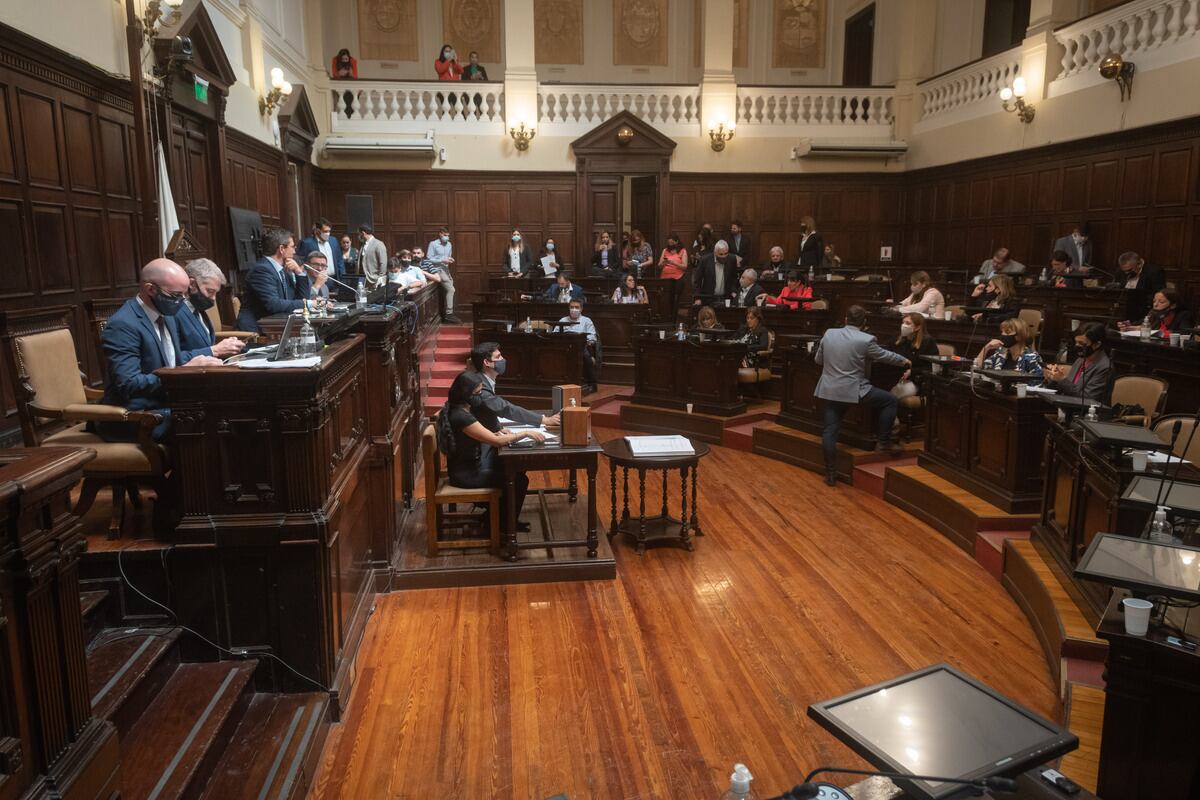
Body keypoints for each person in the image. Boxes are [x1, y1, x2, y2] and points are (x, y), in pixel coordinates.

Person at [96, 259, 223, 441]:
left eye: (184, 295)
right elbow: (129, 384)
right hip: (138, 417)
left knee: (223, 413)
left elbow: (172, 361)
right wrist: (182, 371)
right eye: (175, 295)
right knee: (209, 426)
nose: (181, 302)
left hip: (167, 405)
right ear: (150, 289)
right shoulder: (123, 325)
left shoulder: (167, 315)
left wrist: (200, 362)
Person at [436, 371, 544, 534]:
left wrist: (496, 434)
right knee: (518, 480)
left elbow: (479, 436)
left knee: (513, 468)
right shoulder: (462, 416)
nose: (480, 397)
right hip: (466, 475)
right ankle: (504, 528)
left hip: (467, 467)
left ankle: (501, 519)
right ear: (466, 393)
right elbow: (496, 442)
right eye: (477, 393)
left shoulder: (458, 409)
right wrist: (525, 433)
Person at [815, 305, 910, 485]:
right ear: (864, 323)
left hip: (832, 390)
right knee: (889, 400)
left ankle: (830, 474)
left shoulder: (829, 334)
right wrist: (903, 360)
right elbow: (884, 356)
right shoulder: (866, 340)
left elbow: (818, 360)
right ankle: (884, 441)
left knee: (830, 431)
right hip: (855, 390)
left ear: (845, 319)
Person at [236, 226, 312, 333]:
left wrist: (299, 272)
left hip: (277, 327)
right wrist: (309, 304)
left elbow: (300, 298)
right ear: (281, 249)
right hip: (256, 331)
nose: (294, 251)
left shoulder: (284, 269)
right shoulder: (262, 270)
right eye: (292, 247)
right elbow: (273, 304)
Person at [469, 342, 561, 430]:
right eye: (498, 357)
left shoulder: (482, 379)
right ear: (487, 362)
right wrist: (545, 420)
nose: (503, 359)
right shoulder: (479, 386)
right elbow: (505, 408)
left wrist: (498, 428)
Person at [177, 258, 245, 359]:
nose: (213, 298)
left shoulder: (199, 310)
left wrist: (227, 348)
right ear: (192, 284)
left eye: (215, 293)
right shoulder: (175, 312)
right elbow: (172, 358)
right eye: (210, 291)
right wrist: (215, 350)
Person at [1043, 323, 1111, 403]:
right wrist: (1053, 378)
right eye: (1076, 342)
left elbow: (1087, 400)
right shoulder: (1080, 360)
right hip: (1067, 407)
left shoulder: (1105, 367)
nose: (1077, 346)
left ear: (1097, 344)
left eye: (1082, 343)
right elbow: (1069, 390)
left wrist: (1062, 380)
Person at [974, 317, 1044, 382]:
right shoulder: (1001, 352)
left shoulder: (1031, 357)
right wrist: (986, 348)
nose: (1003, 335)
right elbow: (978, 368)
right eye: (1002, 332)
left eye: (1007, 332)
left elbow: (1037, 382)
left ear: (1019, 336)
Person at [888, 313, 939, 399]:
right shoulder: (897, 338)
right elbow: (887, 353)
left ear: (918, 327)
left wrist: (913, 371)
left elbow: (932, 367)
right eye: (903, 322)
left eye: (908, 323)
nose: (903, 325)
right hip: (894, 377)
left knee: (888, 396)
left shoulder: (927, 342)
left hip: (916, 381)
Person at [1115, 251, 1167, 324]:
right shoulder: (1121, 271)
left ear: (1139, 264)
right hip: (1123, 308)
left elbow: (1159, 292)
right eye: (1124, 271)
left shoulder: (1154, 271)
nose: (1126, 273)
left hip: (1144, 308)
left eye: (1129, 270)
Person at [559, 299, 599, 391]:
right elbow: (554, 334)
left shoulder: (586, 320)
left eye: (576, 307)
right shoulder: (563, 320)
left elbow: (592, 337)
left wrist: (586, 342)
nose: (574, 309)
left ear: (581, 309)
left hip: (582, 347)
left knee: (584, 354)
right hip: (564, 348)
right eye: (571, 307)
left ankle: (591, 382)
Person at [1122, 289, 1193, 336]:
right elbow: (1140, 324)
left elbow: (1184, 332)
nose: (1155, 305)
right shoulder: (1153, 314)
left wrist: (1160, 333)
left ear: (1173, 305)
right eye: (1154, 301)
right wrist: (1129, 326)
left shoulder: (1183, 315)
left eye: (1161, 302)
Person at [426, 226, 460, 323]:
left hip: (446, 269)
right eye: (445, 235)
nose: (447, 237)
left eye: (448, 235)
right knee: (451, 289)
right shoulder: (433, 244)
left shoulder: (449, 244)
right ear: (440, 233)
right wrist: (441, 259)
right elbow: (429, 258)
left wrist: (450, 259)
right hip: (437, 269)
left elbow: (448, 257)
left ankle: (448, 313)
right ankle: (449, 314)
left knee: (450, 290)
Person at [693, 239, 737, 306]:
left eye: (726, 254)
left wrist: (733, 290)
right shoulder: (705, 260)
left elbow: (734, 277)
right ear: (715, 252)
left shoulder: (732, 259)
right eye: (721, 254)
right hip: (708, 297)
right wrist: (697, 297)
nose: (724, 256)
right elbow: (697, 280)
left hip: (726, 298)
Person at [657, 233, 688, 309]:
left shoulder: (682, 251)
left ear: (676, 241)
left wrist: (673, 262)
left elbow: (684, 266)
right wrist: (664, 263)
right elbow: (659, 265)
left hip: (677, 278)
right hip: (665, 278)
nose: (670, 245)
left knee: (674, 298)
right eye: (669, 243)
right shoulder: (665, 250)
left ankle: (673, 316)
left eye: (672, 243)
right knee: (665, 298)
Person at [357, 224, 388, 290]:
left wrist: (379, 278)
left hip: (373, 280)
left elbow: (383, 263)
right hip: (361, 279)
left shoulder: (379, 244)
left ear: (363, 233)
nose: (358, 236)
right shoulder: (363, 244)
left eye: (359, 233)